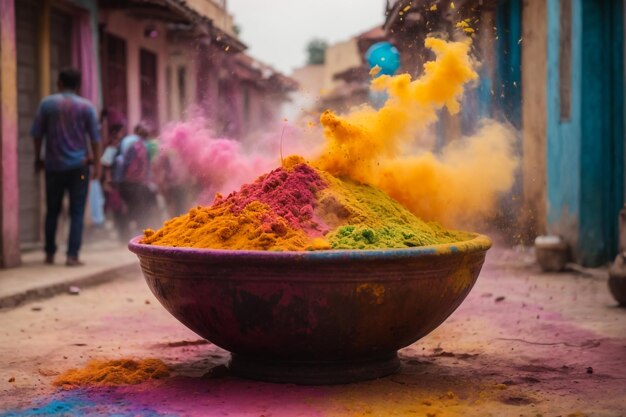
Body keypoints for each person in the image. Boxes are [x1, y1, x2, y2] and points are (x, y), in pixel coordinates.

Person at [31, 68, 101, 266]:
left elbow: (37, 134)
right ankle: (72, 255)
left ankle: (49, 253)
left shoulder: (47, 104)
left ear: (59, 83)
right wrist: (96, 165)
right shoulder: (87, 107)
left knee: (52, 209)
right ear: (78, 86)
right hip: (79, 168)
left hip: (53, 167)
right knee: (77, 211)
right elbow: (95, 139)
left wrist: (38, 158)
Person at [116, 122, 157, 240]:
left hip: (123, 180)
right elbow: (147, 165)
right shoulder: (143, 144)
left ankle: (125, 236)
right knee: (139, 208)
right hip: (138, 182)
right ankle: (138, 236)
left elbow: (120, 160)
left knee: (126, 207)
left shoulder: (126, 140)